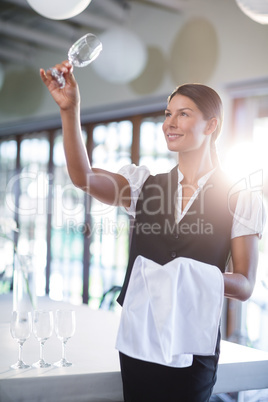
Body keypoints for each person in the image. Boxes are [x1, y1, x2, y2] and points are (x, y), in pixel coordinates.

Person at [40, 61, 265, 402]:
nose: (170, 123)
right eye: (167, 113)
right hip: (138, 341)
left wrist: (190, 273)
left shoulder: (240, 198)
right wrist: (70, 111)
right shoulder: (144, 185)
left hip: (193, 346)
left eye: (184, 114)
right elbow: (83, 178)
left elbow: (246, 285)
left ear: (212, 125)